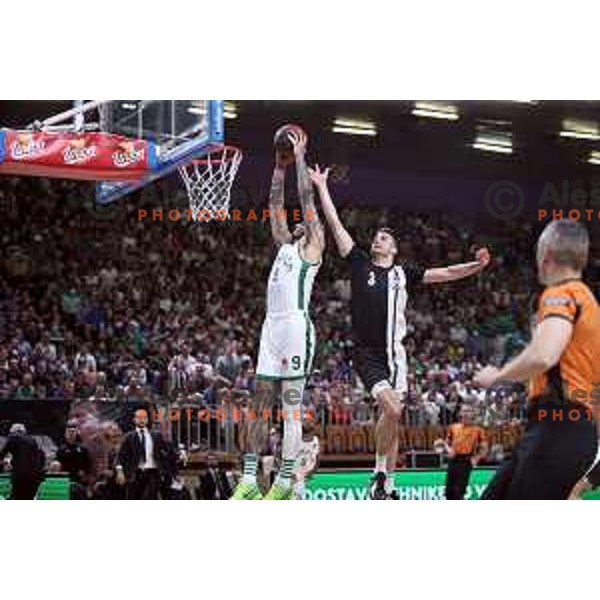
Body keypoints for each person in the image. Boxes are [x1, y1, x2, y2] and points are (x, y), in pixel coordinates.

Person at [310, 164, 491, 499]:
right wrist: (322, 186)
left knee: (392, 420)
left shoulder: (403, 273)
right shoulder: (359, 261)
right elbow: (334, 223)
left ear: (393, 249)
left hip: (397, 355)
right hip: (368, 355)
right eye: (377, 236)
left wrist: (477, 266)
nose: (376, 239)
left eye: (384, 237)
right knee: (392, 410)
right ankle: (379, 474)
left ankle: (388, 488)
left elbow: (446, 272)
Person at [475, 219, 600, 499]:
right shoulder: (591, 305)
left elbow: (543, 355)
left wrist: (497, 376)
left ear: (545, 256)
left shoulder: (560, 294)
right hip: (565, 430)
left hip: (559, 428)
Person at [231, 129, 325, 500]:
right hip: (271, 328)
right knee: (259, 405)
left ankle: (285, 481)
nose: (297, 221)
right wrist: (278, 169)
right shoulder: (286, 245)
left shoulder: (314, 244)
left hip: (296, 327)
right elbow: (274, 207)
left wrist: (300, 158)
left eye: (303, 219)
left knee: (289, 409)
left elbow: (305, 198)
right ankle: (250, 480)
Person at [115, 408, 168, 500]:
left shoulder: (156, 436)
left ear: (147, 420)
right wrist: (120, 472)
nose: (142, 420)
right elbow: (120, 456)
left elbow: (166, 451)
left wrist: (179, 454)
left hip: (152, 473)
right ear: (134, 420)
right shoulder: (129, 437)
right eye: (139, 418)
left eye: (144, 418)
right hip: (135, 473)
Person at [444, 405, 488, 500]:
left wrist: (476, 458)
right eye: (464, 411)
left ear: (473, 414)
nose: (466, 414)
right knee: (449, 491)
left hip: (465, 462)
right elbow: (446, 443)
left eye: (468, 411)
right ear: (460, 413)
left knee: (459, 491)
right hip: (453, 461)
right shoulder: (453, 427)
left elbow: (484, 447)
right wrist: (449, 450)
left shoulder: (478, 430)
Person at [0, 423, 45, 499]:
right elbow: (40, 456)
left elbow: (1, 455)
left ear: (13, 431)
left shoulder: (13, 437)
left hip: (21, 476)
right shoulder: (33, 440)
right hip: (35, 476)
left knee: (17, 497)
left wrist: (5, 462)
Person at [55, 420, 92, 487]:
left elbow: (88, 464)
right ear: (65, 434)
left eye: (73, 431)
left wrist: (85, 473)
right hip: (65, 480)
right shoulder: (61, 450)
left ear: (76, 433)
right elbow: (58, 466)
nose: (71, 434)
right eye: (69, 432)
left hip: (79, 482)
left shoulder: (83, 449)